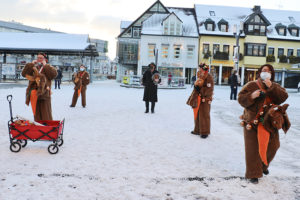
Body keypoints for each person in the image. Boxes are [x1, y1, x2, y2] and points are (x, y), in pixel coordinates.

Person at [238, 64, 289, 184]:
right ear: (260, 72)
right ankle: (253, 174)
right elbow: (240, 99)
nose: (266, 72)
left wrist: (272, 87)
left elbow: (284, 97)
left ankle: (263, 166)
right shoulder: (251, 85)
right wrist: (252, 96)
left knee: (274, 146)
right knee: (252, 149)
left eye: (269, 71)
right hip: (252, 121)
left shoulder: (274, 86)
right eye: (264, 70)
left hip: (269, 122)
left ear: (272, 74)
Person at [22, 52, 57, 121]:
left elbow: (53, 75)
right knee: (36, 113)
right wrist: (31, 64)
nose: (39, 59)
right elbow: (24, 74)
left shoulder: (48, 67)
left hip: (44, 93)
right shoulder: (33, 67)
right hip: (34, 93)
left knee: (46, 113)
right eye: (38, 58)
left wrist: (45, 65)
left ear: (45, 59)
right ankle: (39, 129)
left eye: (41, 58)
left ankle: (48, 128)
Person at [187, 63, 214, 139]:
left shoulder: (208, 77)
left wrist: (200, 90)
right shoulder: (199, 75)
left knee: (204, 115)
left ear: (203, 69)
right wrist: (196, 88)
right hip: (198, 98)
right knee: (197, 114)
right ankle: (197, 130)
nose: (198, 69)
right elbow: (198, 86)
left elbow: (209, 89)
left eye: (200, 68)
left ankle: (205, 132)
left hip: (205, 99)